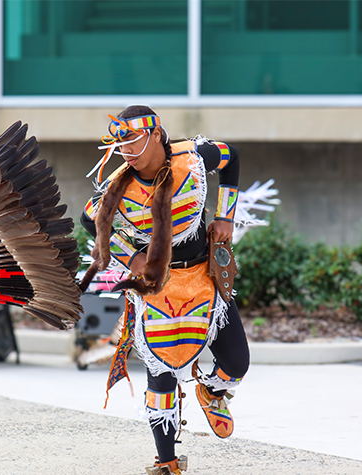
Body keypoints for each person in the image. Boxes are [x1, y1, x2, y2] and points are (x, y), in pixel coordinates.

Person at [81, 106, 250, 475]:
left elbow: (231, 157)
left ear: (156, 134)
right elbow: (88, 216)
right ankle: (167, 461)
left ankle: (212, 390)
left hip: (205, 279)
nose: (124, 150)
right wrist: (131, 257)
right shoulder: (118, 185)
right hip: (157, 288)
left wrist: (225, 216)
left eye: (131, 140)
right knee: (161, 374)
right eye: (119, 143)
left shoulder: (192, 158)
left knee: (237, 364)